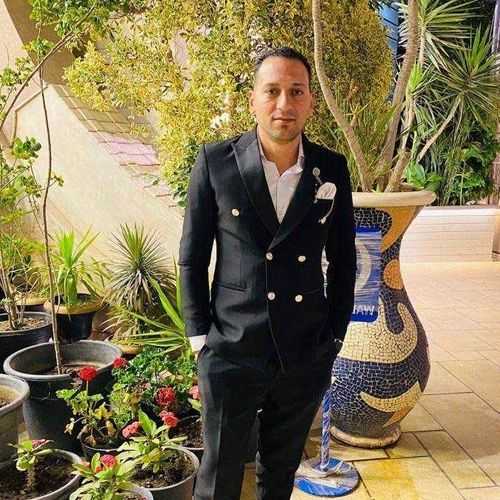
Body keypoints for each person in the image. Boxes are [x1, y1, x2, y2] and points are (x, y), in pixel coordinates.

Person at [179, 46, 357, 500]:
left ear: (310, 101)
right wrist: (200, 338)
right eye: (272, 91)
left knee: (280, 472)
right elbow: (192, 257)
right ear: (253, 99)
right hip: (231, 348)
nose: (284, 104)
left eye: (296, 92)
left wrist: (334, 337)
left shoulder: (331, 168)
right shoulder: (216, 161)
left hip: (304, 350)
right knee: (218, 475)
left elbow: (343, 260)